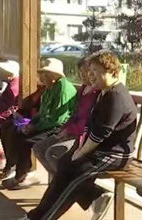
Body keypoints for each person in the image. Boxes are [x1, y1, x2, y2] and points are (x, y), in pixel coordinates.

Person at [12, 51, 137, 220]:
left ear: (112, 71)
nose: (91, 75)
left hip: (114, 154)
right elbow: (90, 126)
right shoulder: (104, 92)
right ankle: (41, 215)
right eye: (90, 70)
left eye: (96, 71)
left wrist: (80, 152)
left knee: (75, 175)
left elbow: (100, 133)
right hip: (99, 150)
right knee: (64, 164)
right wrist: (78, 151)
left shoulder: (115, 96)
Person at [0, 58, 76, 180]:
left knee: (25, 140)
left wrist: (35, 127)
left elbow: (58, 119)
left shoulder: (63, 88)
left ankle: (22, 173)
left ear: (54, 75)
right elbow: (42, 112)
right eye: (41, 73)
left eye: (45, 74)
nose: (41, 77)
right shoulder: (49, 87)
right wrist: (32, 123)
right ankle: (16, 169)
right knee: (14, 131)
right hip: (47, 124)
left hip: (60, 128)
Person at [31, 56, 99, 184]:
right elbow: (73, 114)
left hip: (83, 137)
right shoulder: (82, 90)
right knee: (39, 148)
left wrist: (69, 131)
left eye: (86, 71)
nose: (83, 75)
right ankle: (60, 184)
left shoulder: (97, 93)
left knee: (53, 152)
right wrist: (65, 129)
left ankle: (67, 185)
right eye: (81, 71)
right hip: (69, 131)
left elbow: (88, 121)